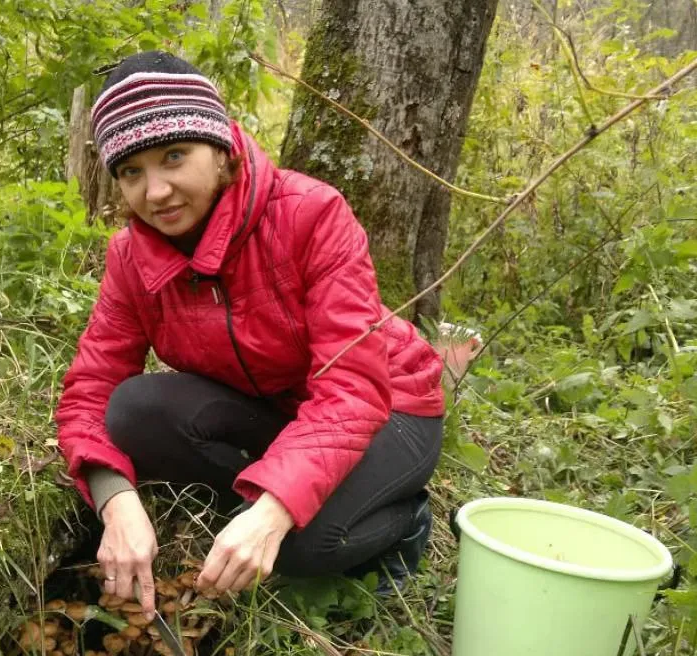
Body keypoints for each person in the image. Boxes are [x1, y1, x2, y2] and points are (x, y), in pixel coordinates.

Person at [54, 51, 446, 618]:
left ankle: (403, 520)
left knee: (302, 542)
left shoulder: (311, 214)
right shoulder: (130, 257)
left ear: (220, 148)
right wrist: (115, 502)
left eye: (174, 156)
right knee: (133, 410)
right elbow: (91, 389)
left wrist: (273, 511)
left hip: (390, 406)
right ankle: (262, 510)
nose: (156, 191)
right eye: (132, 171)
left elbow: (352, 389)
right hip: (278, 409)